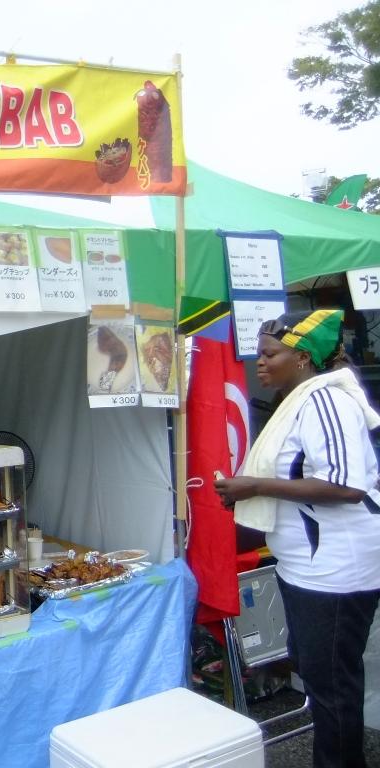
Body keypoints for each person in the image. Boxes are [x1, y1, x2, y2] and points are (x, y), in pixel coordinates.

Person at [215, 309, 380, 768]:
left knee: (332, 684)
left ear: (303, 357)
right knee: (319, 672)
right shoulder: (299, 402)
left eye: (270, 354)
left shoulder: (327, 402)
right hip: (306, 565)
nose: (260, 363)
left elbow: (346, 486)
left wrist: (256, 487)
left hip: (336, 569)